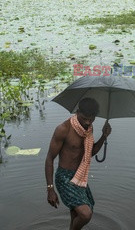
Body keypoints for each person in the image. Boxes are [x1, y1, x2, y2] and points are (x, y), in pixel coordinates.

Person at [45, 97, 112, 230]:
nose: (88, 122)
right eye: (85, 118)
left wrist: (104, 136)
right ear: (77, 112)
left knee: (76, 215)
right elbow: (49, 159)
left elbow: (90, 152)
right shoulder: (63, 129)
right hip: (65, 178)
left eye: (91, 119)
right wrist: (50, 189)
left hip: (80, 176)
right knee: (85, 214)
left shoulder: (88, 129)